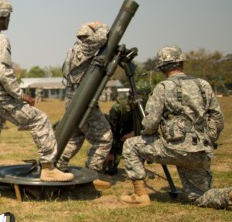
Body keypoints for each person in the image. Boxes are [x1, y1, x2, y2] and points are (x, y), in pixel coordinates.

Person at [0, 0, 73, 200]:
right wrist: (20, 94)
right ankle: (49, 168)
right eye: (8, 17)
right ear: (2, 17)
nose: (9, 20)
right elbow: (2, 71)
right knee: (39, 119)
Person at [120, 45, 230, 209]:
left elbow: (150, 123)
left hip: (175, 149)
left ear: (162, 67)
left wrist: (149, 134)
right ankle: (229, 194)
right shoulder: (203, 85)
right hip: (201, 151)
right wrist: (208, 138)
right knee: (200, 197)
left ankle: (140, 195)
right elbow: (217, 117)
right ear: (181, 63)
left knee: (130, 146)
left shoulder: (163, 88)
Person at [57, 21, 113, 190]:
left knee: (74, 137)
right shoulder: (84, 48)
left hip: (73, 98)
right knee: (104, 138)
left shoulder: (72, 51)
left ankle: (57, 165)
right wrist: (99, 26)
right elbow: (103, 35)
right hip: (82, 99)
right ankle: (93, 173)